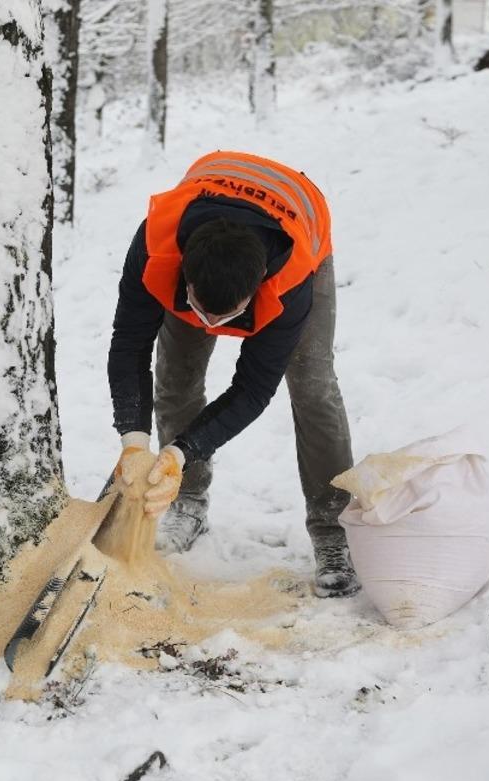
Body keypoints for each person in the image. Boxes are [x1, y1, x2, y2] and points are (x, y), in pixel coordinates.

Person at [107, 150, 360, 598]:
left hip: (299, 223)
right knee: (176, 377)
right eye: (200, 310)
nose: (210, 326)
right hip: (209, 225)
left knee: (313, 387)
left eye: (226, 317)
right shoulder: (155, 245)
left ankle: (333, 530)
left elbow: (253, 388)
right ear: (184, 271)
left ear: (258, 286)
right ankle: (186, 499)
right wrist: (134, 440)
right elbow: (129, 344)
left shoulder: (290, 279)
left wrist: (183, 449)